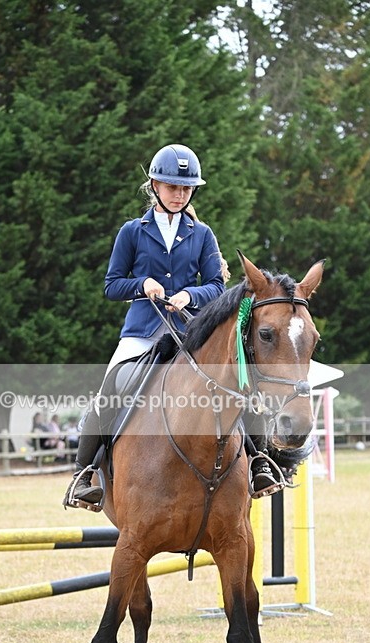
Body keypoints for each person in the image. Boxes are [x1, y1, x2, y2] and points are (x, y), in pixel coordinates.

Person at [67, 143, 280, 509]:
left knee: (238, 382)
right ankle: (86, 474)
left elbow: (217, 284)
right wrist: (142, 285)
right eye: (172, 187)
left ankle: (259, 460)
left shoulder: (202, 234)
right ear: (154, 185)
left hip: (190, 331)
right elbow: (111, 284)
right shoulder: (132, 231)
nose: (179, 194)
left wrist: (189, 295)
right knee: (111, 386)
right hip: (141, 330)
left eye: (185, 188)